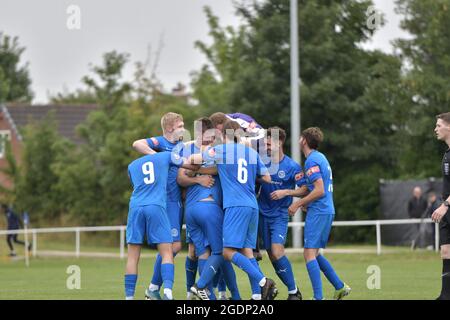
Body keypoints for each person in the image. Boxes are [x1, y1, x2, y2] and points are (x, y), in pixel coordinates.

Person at [189, 120, 278, 300]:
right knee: (247, 250)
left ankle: (262, 281)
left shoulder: (222, 150)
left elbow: (194, 160)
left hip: (235, 206)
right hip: (252, 206)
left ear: (223, 135)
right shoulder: (252, 153)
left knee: (227, 252)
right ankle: (256, 297)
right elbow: (267, 178)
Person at [124, 149, 199, 300]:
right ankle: (167, 293)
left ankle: (129, 297)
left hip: (136, 207)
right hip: (156, 206)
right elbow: (191, 166)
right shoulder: (165, 155)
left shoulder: (132, 165)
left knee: (132, 257)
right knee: (167, 252)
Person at [178, 117, 240, 300]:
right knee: (222, 252)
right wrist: (198, 177)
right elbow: (182, 177)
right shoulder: (216, 150)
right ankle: (217, 292)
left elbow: (187, 171)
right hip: (209, 208)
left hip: (191, 211)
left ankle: (203, 295)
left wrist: (196, 170)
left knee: (203, 252)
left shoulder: (208, 150)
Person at [288, 127, 351, 300]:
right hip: (324, 209)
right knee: (314, 253)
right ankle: (339, 286)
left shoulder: (311, 161)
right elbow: (314, 189)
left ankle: (318, 297)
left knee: (308, 253)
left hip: (320, 211)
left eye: (300, 137)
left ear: (304, 141)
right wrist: (295, 196)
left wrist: (298, 204)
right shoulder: (320, 157)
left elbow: (319, 190)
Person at [132, 112, 188, 299]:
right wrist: (156, 157)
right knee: (171, 247)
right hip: (160, 201)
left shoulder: (181, 146)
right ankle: (155, 289)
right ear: (171, 128)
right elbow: (137, 143)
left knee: (176, 246)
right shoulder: (160, 143)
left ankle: (154, 288)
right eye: (180, 126)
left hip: (175, 201)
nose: (183, 129)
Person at [256, 127, 303, 300]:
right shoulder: (261, 161)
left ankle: (293, 292)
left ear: (280, 142)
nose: (267, 146)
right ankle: (275, 290)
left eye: (269, 142)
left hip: (279, 215)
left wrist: (287, 193)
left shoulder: (292, 166)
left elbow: (305, 188)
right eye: (265, 143)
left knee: (277, 251)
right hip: (261, 214)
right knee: (271, 255)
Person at [431, 112, 450, 300]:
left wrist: (444, 205)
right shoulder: (447, 153)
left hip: (448, 206)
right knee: (445, 251)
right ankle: (445, 295)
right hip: (447, 208)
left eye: (438, 125)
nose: (435, 129)